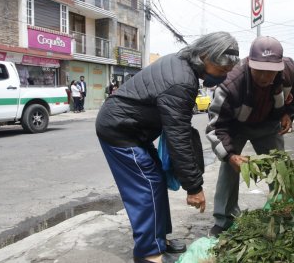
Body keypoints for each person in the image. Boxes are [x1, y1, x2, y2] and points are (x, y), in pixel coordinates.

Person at [95, 32, 239, 263]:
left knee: (156, 180)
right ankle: (149, 253)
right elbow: (178, 135)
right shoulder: (182, 80)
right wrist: (194, 187)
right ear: (204, 56)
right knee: (148, 186)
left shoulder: (182, 65)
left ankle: (157, 239)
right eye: (220, 71)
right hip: (120, 130)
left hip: (134, 131)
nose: (221, 77)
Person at [206, 36, 294, 237]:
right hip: (235, 127)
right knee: (229, 167)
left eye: (271, 72)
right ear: (249, 64)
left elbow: (293, 94)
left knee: (279, 165)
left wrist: (287, 113)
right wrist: (229, 155)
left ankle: (282, 213)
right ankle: (224, 219)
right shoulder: (230, 84)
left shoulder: (287, 72)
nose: (265, 77)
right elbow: (216, 127)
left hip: (268, 125)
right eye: (260, 71)